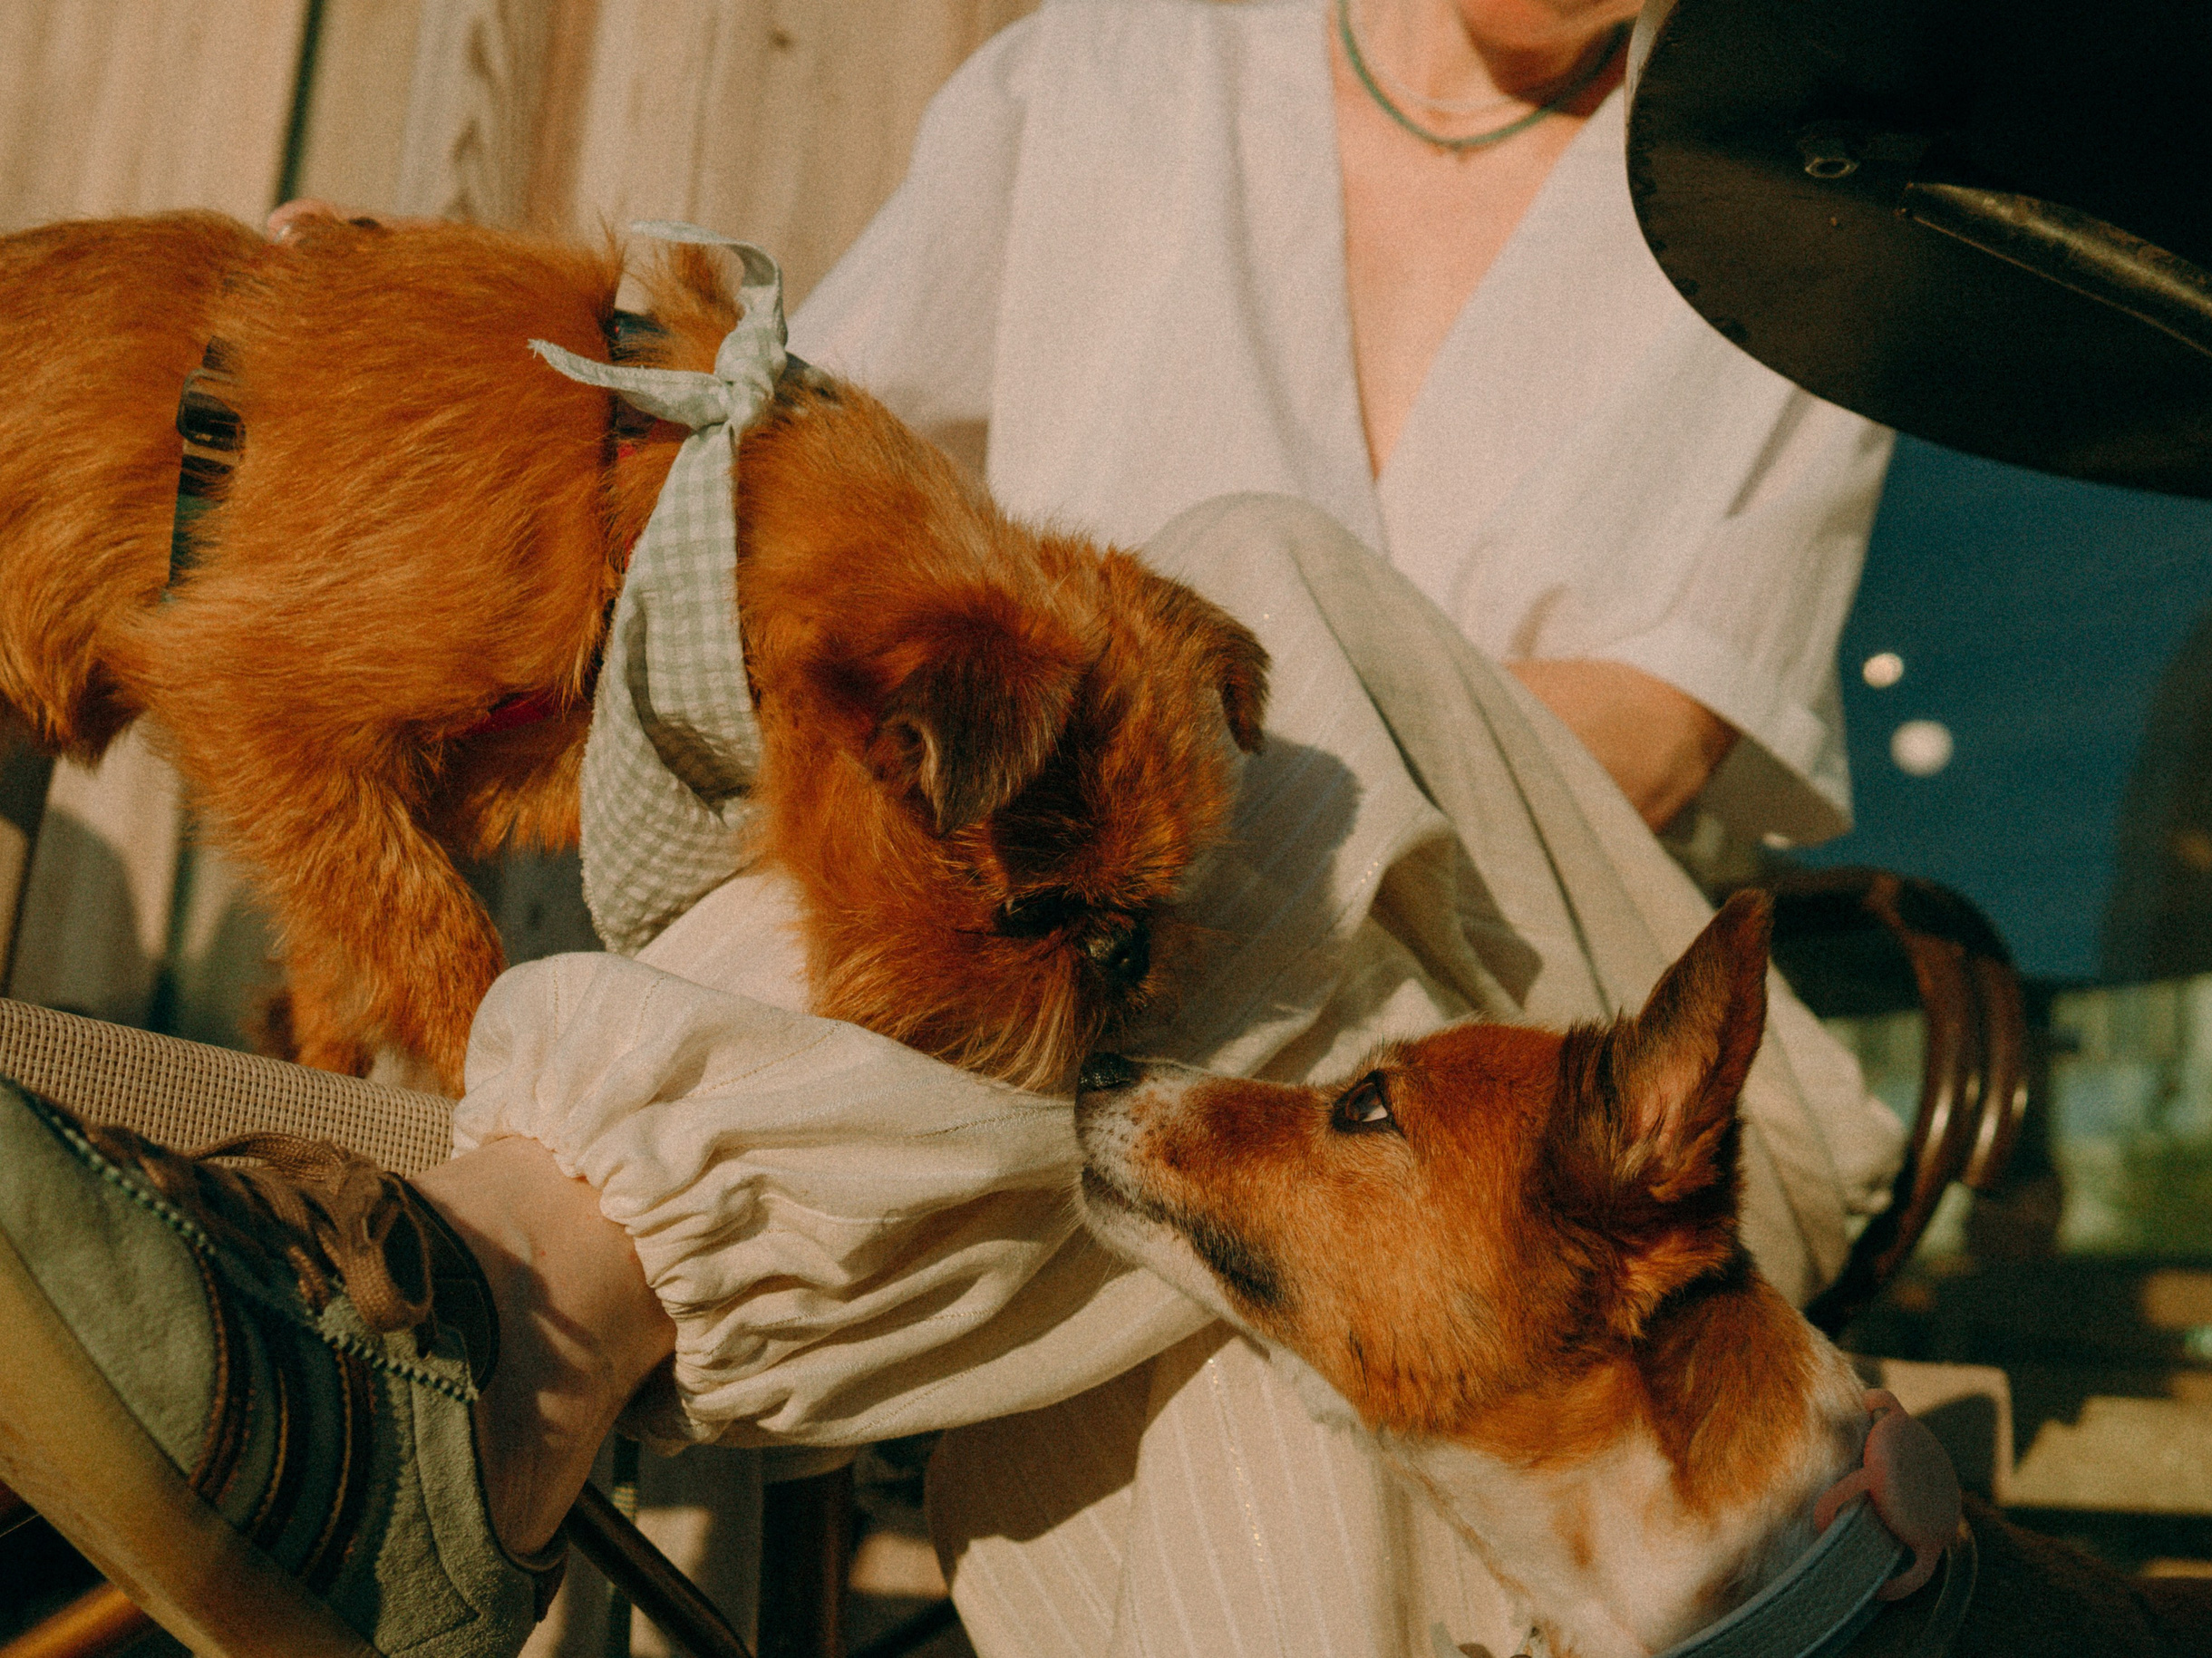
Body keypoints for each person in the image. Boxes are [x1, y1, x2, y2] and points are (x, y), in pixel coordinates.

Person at [0, 4, 1905, 1655]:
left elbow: (1649, 740)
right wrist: (381, 353)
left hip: (1593, 1112)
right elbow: (777, 465)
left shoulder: (1797, 203)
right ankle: (453, 1411)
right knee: (1184, 1376)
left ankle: (494, 1323)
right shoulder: (1103, 75)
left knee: (1241, 590)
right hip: (1148, 1146)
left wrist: (1162, 738)